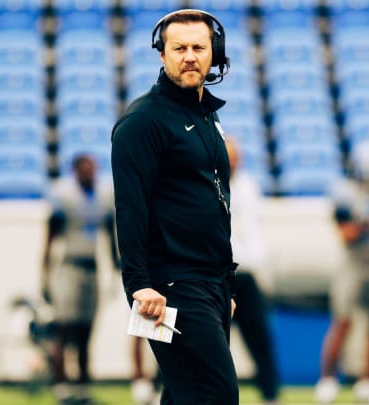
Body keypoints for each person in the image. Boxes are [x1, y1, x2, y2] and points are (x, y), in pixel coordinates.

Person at [111, 9, 238, 405]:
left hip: (211, 283)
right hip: (170, 286)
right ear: (161, 55)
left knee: (186, 395)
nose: (189, 56)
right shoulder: (142, 121)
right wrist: (139, 284)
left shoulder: (206, 114)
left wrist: (222, 286)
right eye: (178, 48)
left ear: (213, 53)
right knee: (215, 394)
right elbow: (130, 208)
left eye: (199, 47)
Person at [315, 140, 369, 404]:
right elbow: (346, 233)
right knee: (343, 321)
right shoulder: (346, 193)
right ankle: (327, 378)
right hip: (353, 264)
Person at [41, 154, 116, 404]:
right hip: (69, 267)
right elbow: (50, 237)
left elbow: (109, 233)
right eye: (85, 169)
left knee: (86, 330)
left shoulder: (103, 196)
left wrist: (118, 267)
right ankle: (62, 385)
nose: (90, 173)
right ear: (75, 171)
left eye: (93, 168)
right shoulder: (64, 195)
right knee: (63, 328)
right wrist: (44, 275)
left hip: (92, 268)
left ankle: (83, 385)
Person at [226, 138, 281, 404]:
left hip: (245, 273)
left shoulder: (248, 187)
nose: (234, 162)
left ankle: (270, 393)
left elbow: (252, 230)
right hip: (218, 274)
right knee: (202, 337)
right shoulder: (205, 182)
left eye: (237, 157)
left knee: (259, 336)